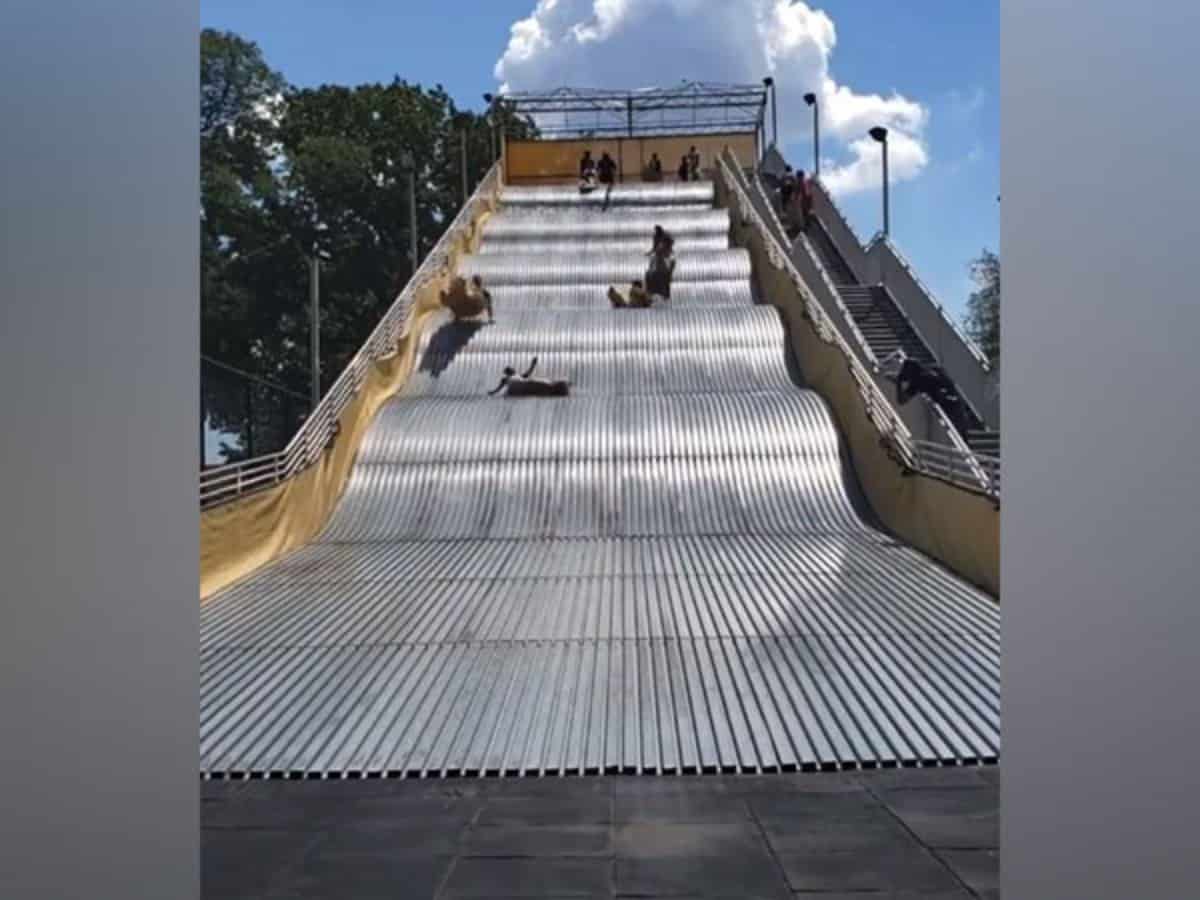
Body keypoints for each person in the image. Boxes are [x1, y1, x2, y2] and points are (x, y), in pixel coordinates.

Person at [487, 356, 570, 397]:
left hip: (525, 385)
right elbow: (499, 388)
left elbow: (528, 373)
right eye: (511, 369)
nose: (513, 369)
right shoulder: (507, 378)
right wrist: (493, 392)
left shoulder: (519, 376)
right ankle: (558, 387)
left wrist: (533, 364)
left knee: (543, 384)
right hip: (522, 386)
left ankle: (558, 387)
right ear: (509, 372)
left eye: (512, 369)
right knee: (543, 385)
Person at [644, 234, 676, 301]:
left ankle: (657, 294)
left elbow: (670, 259)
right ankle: (663, 295)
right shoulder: (661, 249)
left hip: (660, 270)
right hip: (660, 270)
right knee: (663, 282)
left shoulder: (662, 249)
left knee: (661, 282)